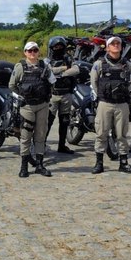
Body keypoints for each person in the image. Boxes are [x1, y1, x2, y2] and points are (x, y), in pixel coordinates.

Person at [90, 36, 131, 174]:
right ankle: (99, 163)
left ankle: (123, 163)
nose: (116, 45)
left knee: (122, 134)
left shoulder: (127, 64)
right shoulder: (99, 64)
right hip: (105, 103)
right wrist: (101, 96)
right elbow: (94, 83)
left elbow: (130, 83)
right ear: (107, 47)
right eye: (113, 43)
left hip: (122, 104)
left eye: (118, 43)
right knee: (101, 134)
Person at [8, 41, 55, 178]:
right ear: (25, 53)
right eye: (30, 51)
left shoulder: (44, 66)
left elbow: (52, 82)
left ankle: (39, 165)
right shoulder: (20, 67)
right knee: (26, 135)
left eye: (35, 50)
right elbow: (12, 85)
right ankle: (24, 166)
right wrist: (20, 96)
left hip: (42, 105)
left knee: (40, 135)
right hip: (27, 106)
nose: (33, 53)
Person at [45, 36, 79, 155]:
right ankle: (42, 144)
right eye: (56, 46)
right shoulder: (47, 60)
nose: (58, 48)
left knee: (65, 121)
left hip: (66, 94)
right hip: (52, 95)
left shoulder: (68, 58)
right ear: (52, 48)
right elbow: (48, 71)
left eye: (60, 46)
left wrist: (62, 73)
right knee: (48, 121)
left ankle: (62, 145)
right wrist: (64, 68)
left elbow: (76, 70)